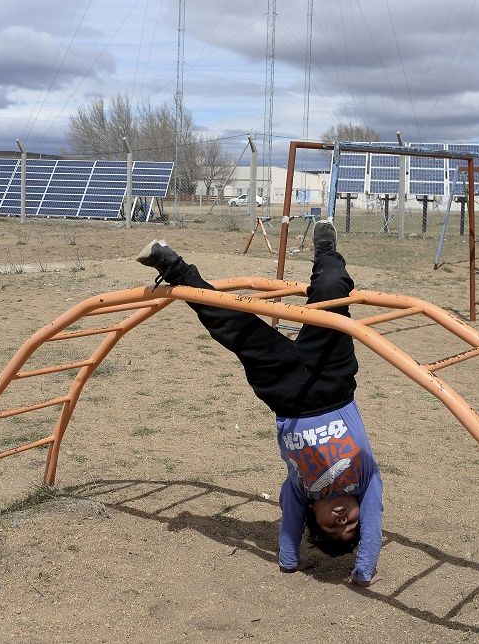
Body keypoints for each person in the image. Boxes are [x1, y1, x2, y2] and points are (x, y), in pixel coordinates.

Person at [136, 221, 383, 586]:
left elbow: (289, 525)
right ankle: (326, 251)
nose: (342, 522)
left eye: (333, 529)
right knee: (332, 291)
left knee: (232, 325)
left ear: (312, 517)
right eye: (351, 525)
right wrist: (364, 571)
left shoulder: (300, 489)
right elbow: (374, 526)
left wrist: (290, 559)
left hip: (286, 392)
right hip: (333, 381)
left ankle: (172, 266)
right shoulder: (365, 479)